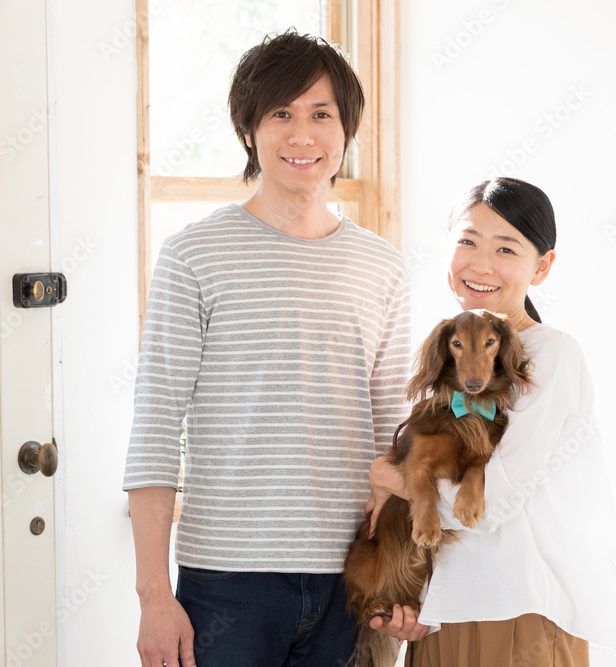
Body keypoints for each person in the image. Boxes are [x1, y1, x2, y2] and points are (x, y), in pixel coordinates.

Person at [123, 31, 427, 666]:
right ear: (249, 129)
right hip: (226, 580)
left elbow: (397, 444)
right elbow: (155, 430)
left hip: (352, 575)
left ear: (348, 130)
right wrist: (153, 593)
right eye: (280, 114)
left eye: (322, 115)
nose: (302, 135)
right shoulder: (193, 256)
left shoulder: (385, 269)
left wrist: (407, 577)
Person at [366, 177, 616, 666]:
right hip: (443, 613)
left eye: (506, 248)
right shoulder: (447, 356)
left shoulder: (552, 354)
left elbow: (488, 504)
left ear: (541, 266)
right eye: (467, 242)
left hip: (520, 616)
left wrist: (387, 477)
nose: (480, 264)